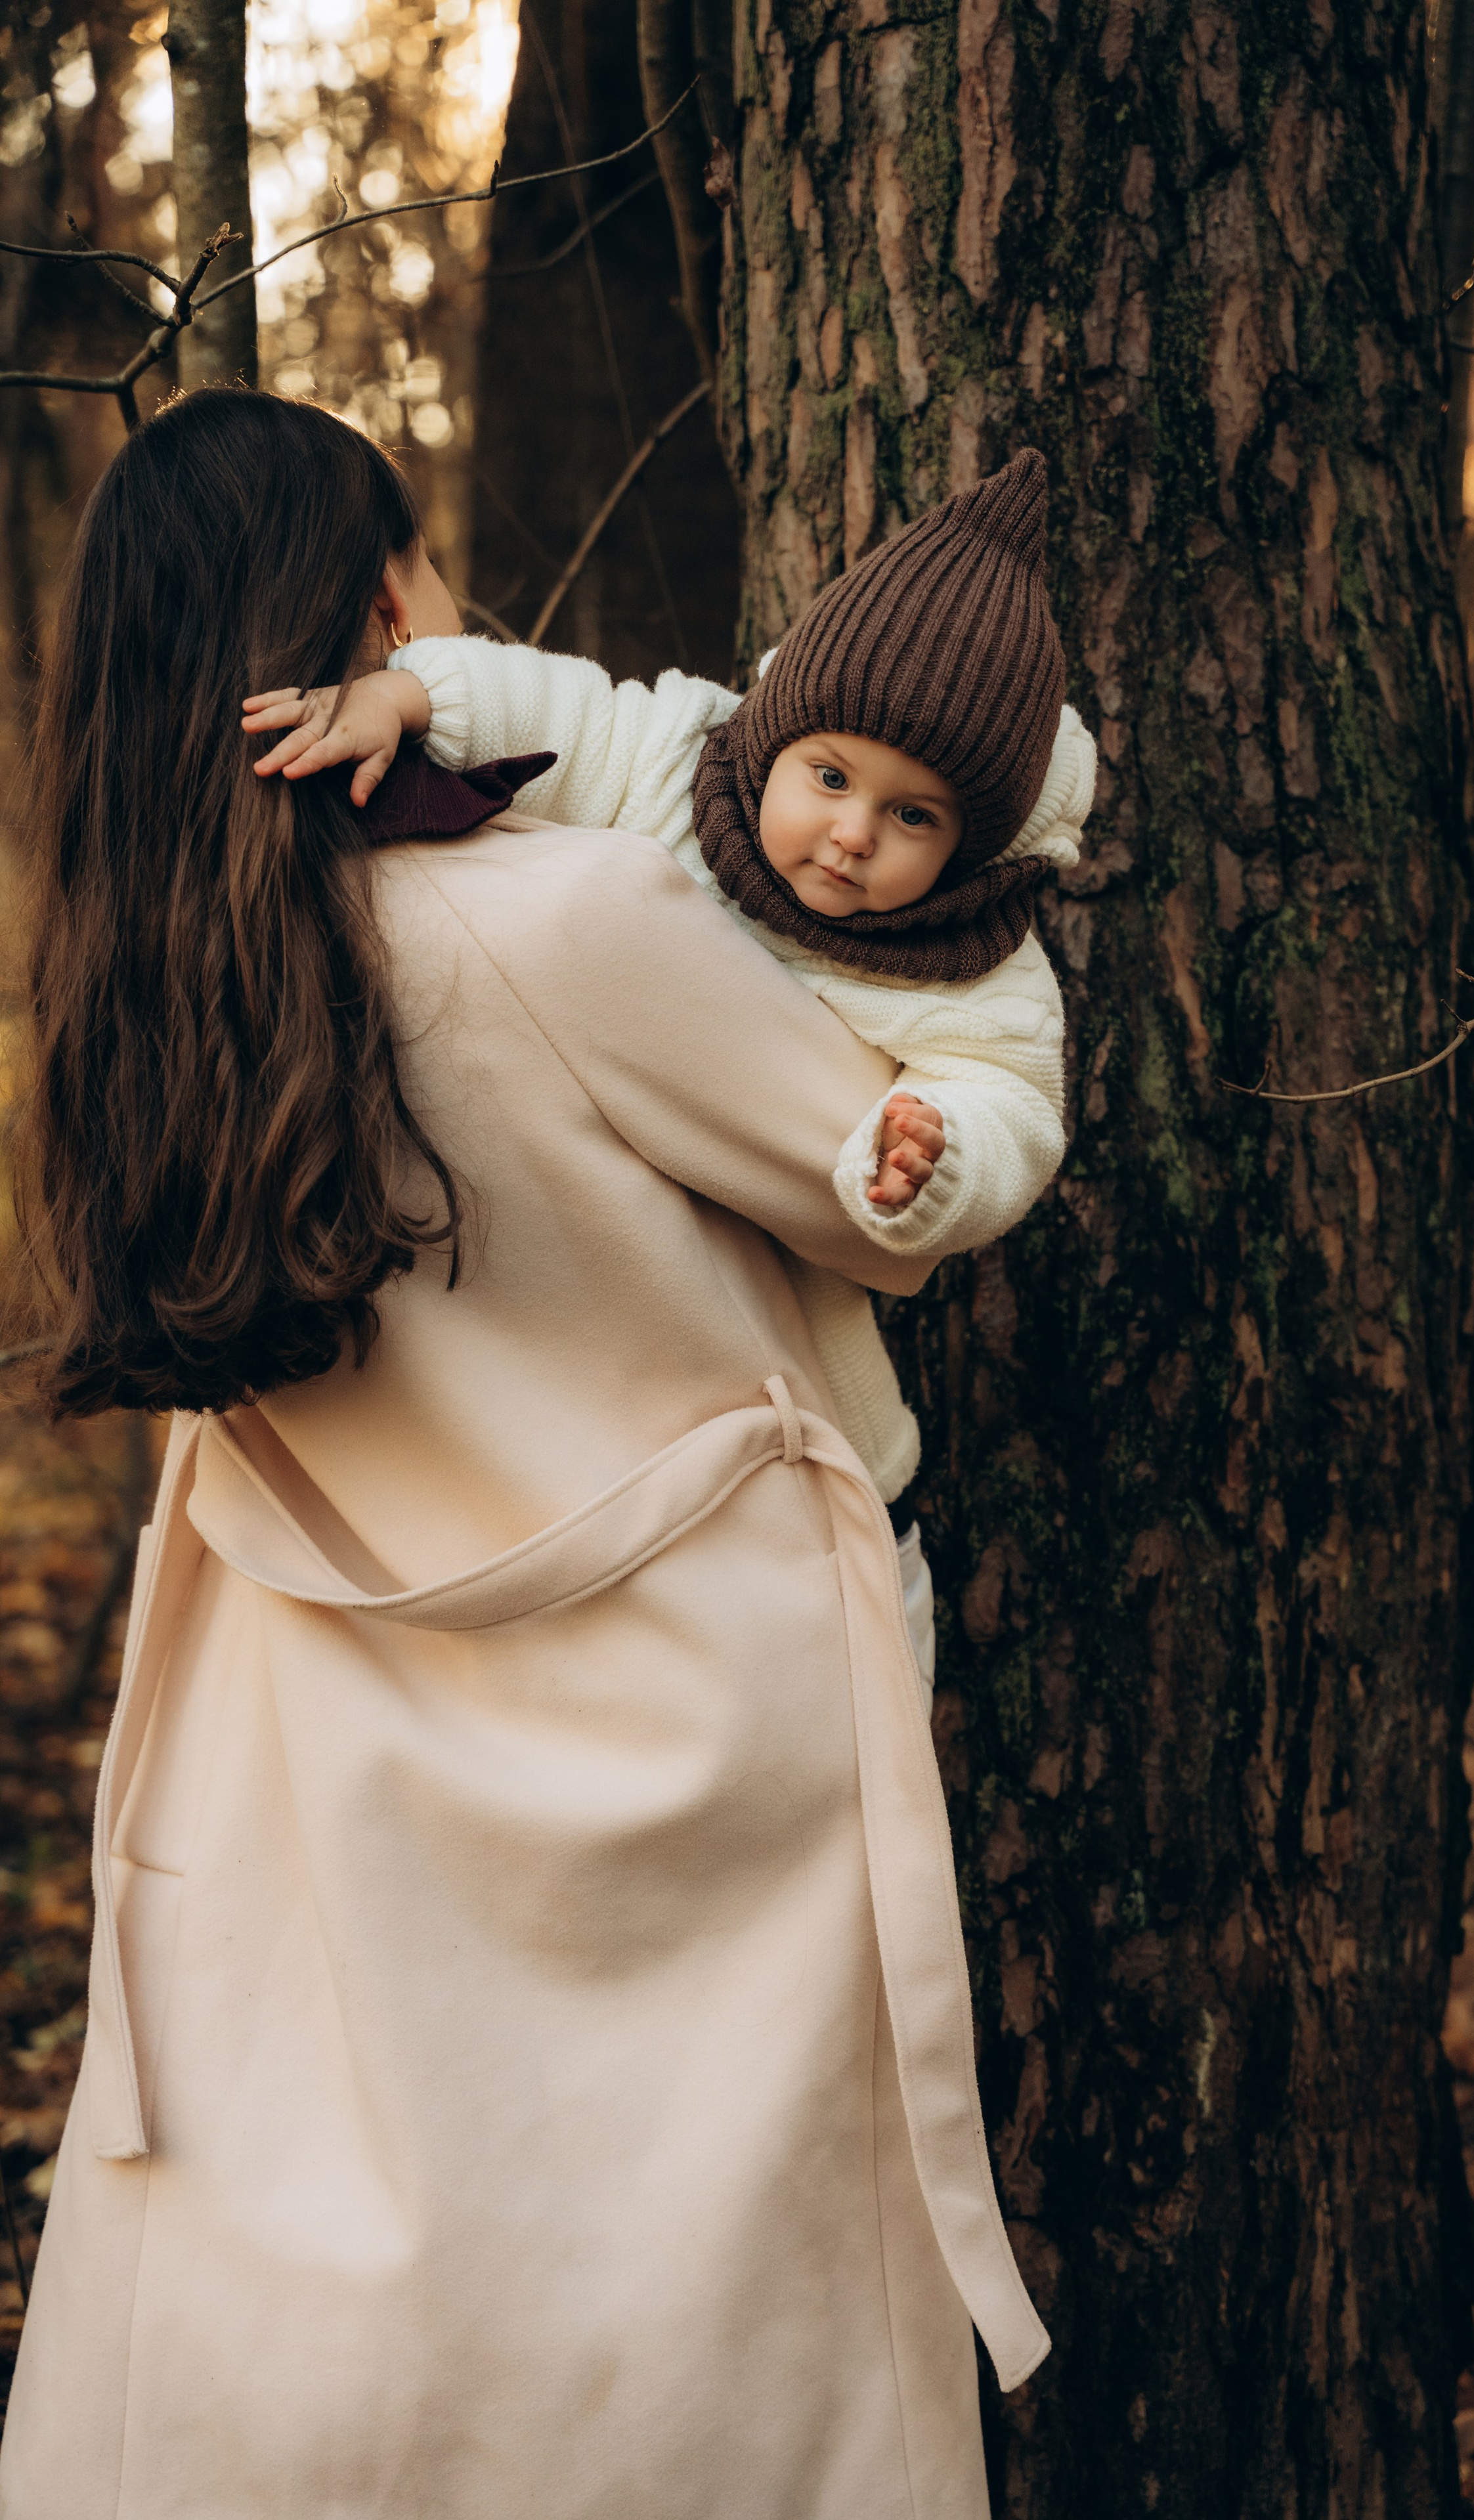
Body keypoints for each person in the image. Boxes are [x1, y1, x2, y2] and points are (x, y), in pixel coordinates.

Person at [0, 387, 1048, 2520]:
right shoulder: (562, 923)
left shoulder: (137, 994)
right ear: (385, 600)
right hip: (663, 1724)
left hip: (313, 1720)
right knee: (678, 2338)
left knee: (344, 2295)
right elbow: (880, 1193)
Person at [242, 452, 1095, 1712]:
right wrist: (409, 700)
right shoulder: (678, 768)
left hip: (801, 1362)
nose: (855, 833)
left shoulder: (973, 964)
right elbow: (559, 703)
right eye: (832, 777)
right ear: (774, 735)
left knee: (853, 1579)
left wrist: (940, 1151)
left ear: (972, 847)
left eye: (916, 819)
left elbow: (1015, 1099)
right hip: (605, 1325)